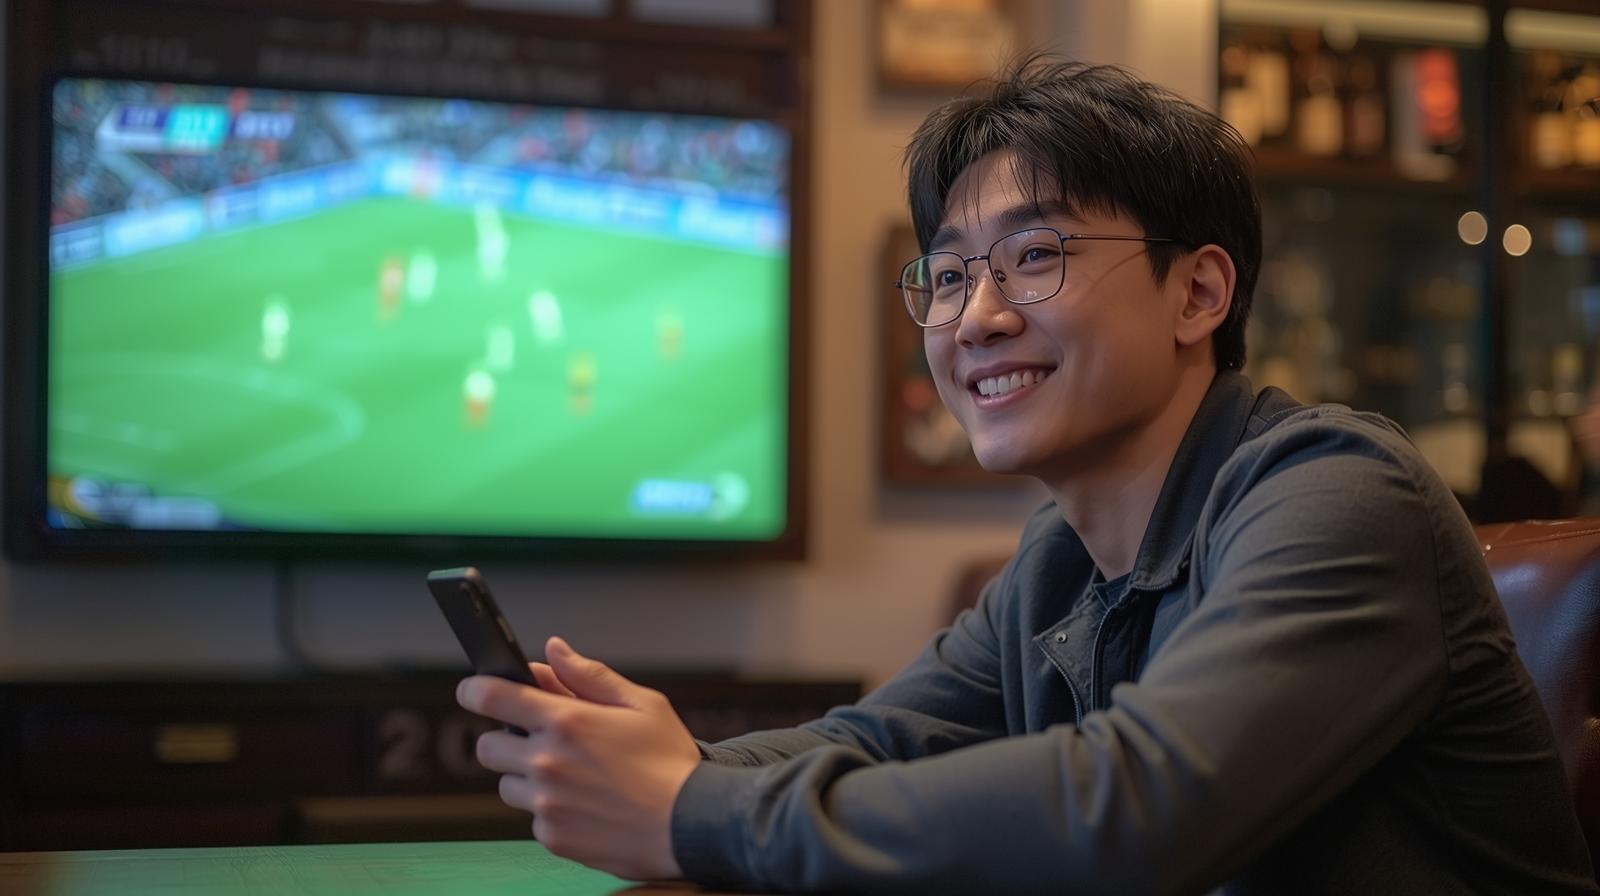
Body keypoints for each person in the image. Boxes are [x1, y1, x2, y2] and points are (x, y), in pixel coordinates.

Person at [454, 58, 1597, 894]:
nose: (975, 317)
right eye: (945, 277)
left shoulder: (1337, 493)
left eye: (1036, 255)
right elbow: (873, 742)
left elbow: (1135, 811)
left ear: (1199, 293)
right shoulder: (1060, 560)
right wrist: (651, 759)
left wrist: (693, 806)